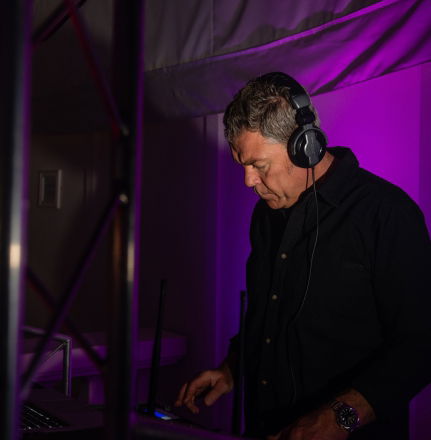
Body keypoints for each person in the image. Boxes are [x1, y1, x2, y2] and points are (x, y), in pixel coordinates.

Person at [175, 72, 431, 440]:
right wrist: (232, 368)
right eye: (242, 165)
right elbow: (266, 315)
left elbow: (420, 344)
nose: (248, 181)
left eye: (259, 166)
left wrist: (339, 419)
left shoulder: (386, 214)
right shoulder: (266, 214)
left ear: (304, 147)